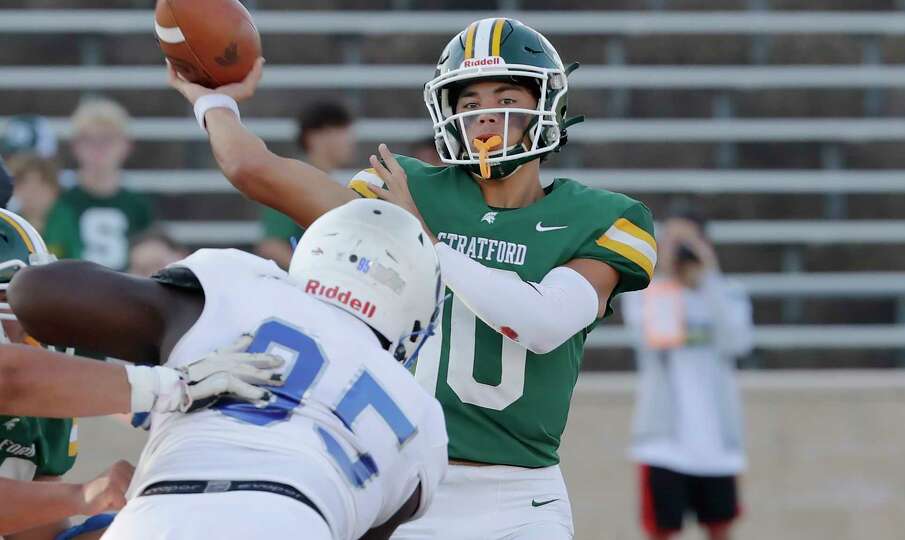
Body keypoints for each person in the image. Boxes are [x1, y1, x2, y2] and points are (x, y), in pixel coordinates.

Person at [167, 16, 657, 539]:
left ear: (544, 105)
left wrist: (424, 238)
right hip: (400, 484)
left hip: (518, 499)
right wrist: (212, 100)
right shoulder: (404, 187)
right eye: (469, 105)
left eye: (506, 98)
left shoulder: (603, 216)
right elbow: (252, 169)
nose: (486, 117)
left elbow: (543, 323)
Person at [8, 198, 448, 540]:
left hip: (158, 517)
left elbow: (35, 292)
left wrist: (167, 384)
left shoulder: (241, 285)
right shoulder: (425, 420)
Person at [0, 208, 266, 539]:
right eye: (5, 297)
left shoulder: (43, 392)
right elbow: (10, 376)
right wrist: (167, 387)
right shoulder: (22, 378)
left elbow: (34, 536)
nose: (29, 318)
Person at [621, 207, 754, 540]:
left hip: (716, 442)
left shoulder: (728, 292)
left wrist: (708, 277)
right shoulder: (646, 293)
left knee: (721, 527)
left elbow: (736, 343)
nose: (679, 247)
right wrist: (665, 274)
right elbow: (652, 340)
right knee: (663, 530)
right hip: (664, 440)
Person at [43, 99, 152, 271]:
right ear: (75, 146)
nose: (98, 149)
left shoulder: (138, 205)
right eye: (89, 140)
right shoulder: (60, 202)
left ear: (126, 145)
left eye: (107, 139)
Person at [257, 101, 355, 269]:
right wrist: (310, 279)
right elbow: (272, 246)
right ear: (316, 137)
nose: (351, 141)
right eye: (342, 132)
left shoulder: (328, 183)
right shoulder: (292, 181)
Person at [6, 153, 61, 234]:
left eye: (39, 188)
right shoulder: (10, 225)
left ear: (53, 189)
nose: (33, 196)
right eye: (27, 189)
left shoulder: (68, 217)